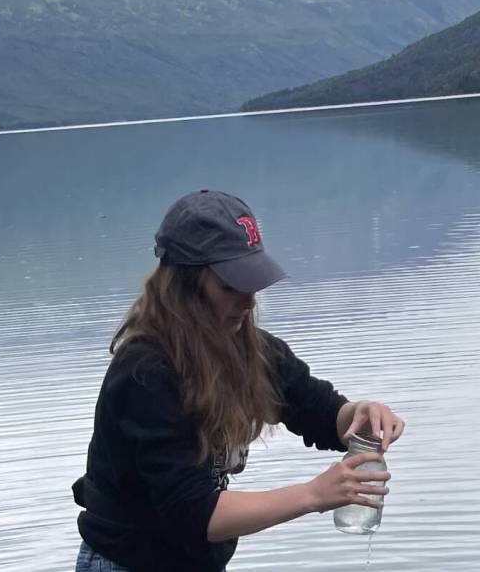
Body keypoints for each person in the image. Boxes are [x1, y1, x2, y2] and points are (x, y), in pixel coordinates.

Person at [72, 190, 405, 572]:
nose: (247, 302)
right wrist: (313, 494)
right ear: (183, 286)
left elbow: (321, 412)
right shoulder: (145, 372)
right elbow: (196, 513)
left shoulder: (250, 350)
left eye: (252, 284)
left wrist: (360, 415)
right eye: (230, 287)